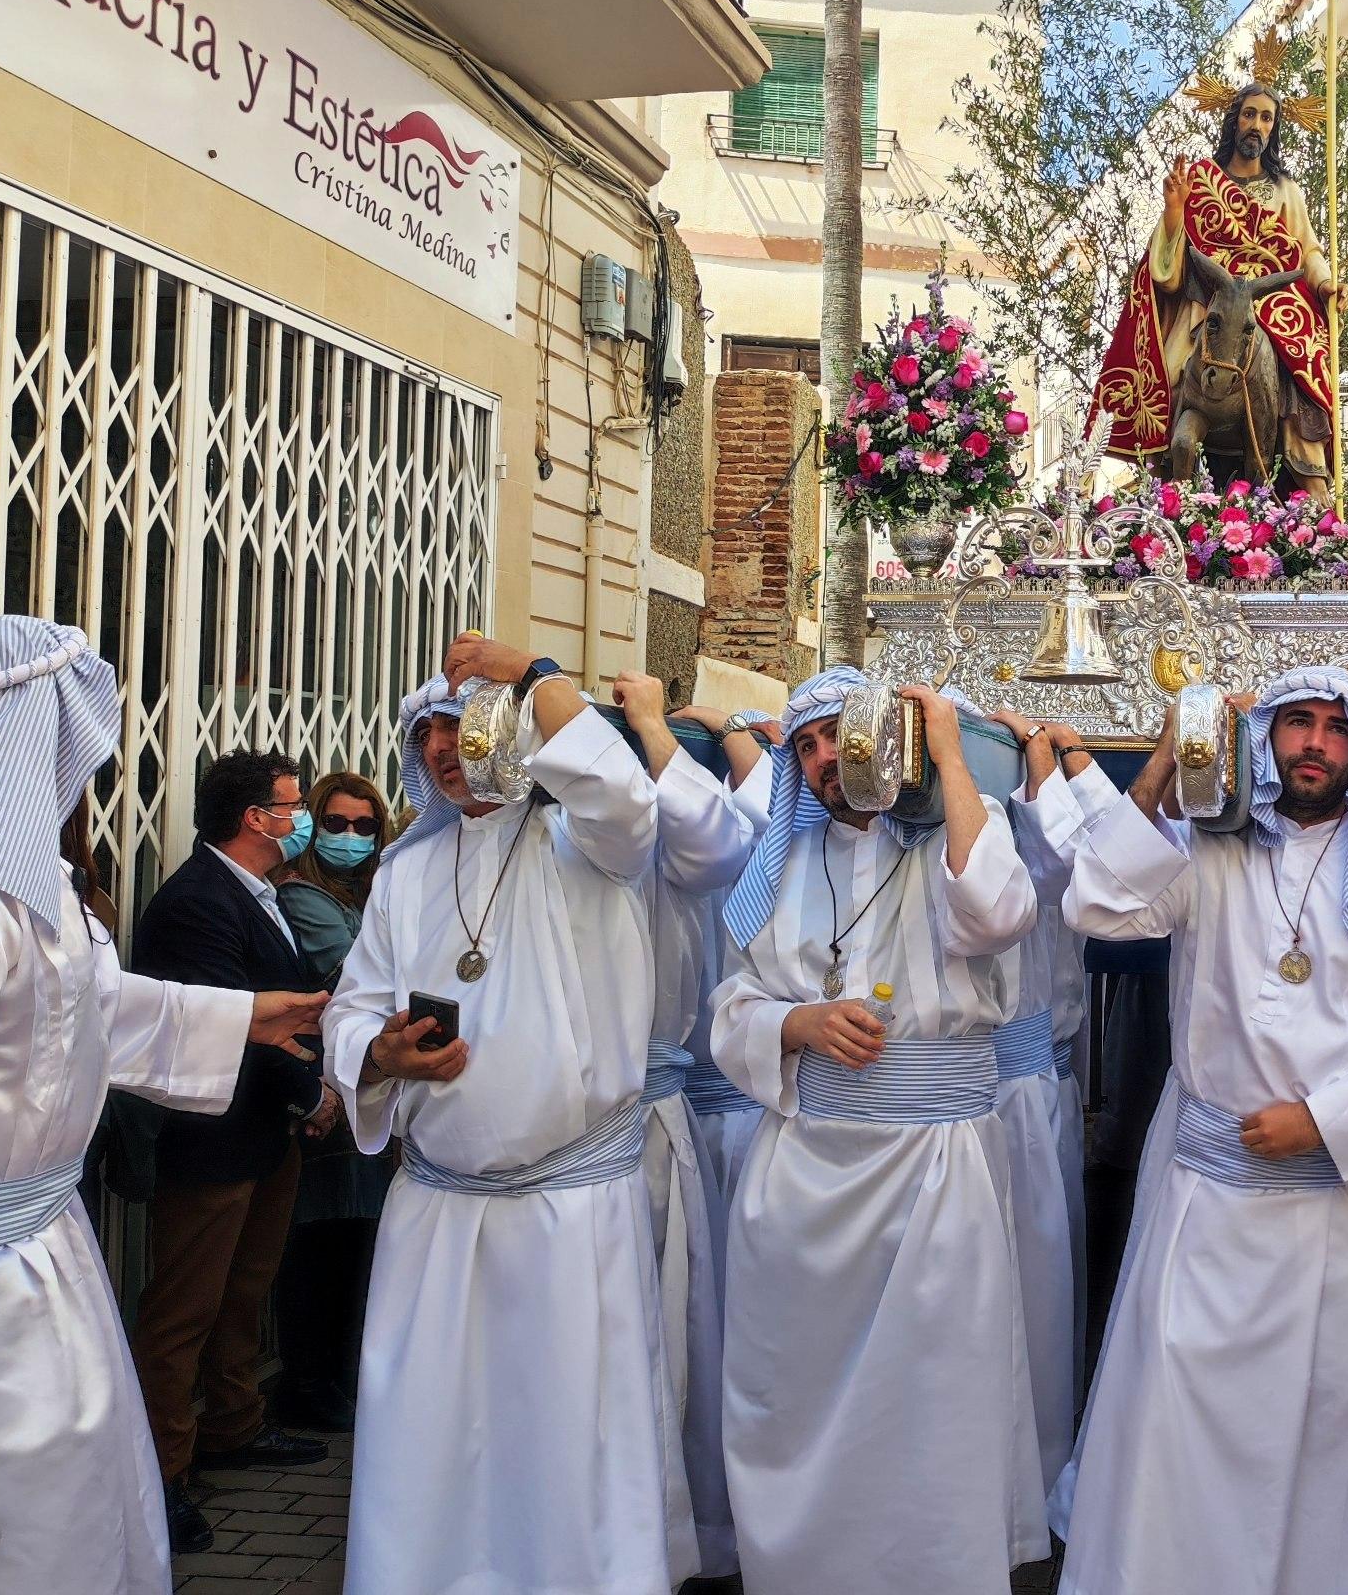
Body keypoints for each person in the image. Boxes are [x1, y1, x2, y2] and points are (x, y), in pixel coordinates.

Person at [1055, 666, 1348, 1595]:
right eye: (1296, 724)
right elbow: (1097, 907)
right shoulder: (1210, 847)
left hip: (1340, 1211)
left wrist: (1325, 1123)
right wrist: (1169, 755)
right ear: (1265, 738)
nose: (1315, 743)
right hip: (1205, 1202)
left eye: (1336, 727)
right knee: (1179, 1417)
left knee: (1333, 1432)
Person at [0, 615, 327, 1595]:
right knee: (15, 1541)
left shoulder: (34, 887)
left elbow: (88, 1009)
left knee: (85, 1517)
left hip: (46, 1255)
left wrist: (243, 1016)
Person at [321, 638, 697, 1595]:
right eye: (430, 732)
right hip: (436, 1215)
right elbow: (353, 1006)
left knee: (567, 1443)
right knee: (431, 1439)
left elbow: (626, 799)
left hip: (570, 1215)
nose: (447, 747)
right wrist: (379, 1054)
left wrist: (533, 674)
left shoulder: (590, 843)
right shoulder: (406, 871)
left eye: (467, 724)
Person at [710, 666, 1044, 1594]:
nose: (829, 756)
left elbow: (1001, 913)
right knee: (793, 1387)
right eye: (809, 745)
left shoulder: (958, 837)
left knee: (933, 1398)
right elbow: (732, 1002)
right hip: (802, 1170)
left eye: (844, 734)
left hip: (936, 1169)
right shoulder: (783, 860)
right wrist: (794, 1023)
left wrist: (947, 754)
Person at [127, 749, 332, 1552]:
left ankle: (234, 1424)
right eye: (295, 805)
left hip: (261, 1135)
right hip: (210, 1141)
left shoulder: (260, 891)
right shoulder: (197, 903)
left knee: (243, 1293)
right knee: (184, 1311)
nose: (303, 818)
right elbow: (232, 1021)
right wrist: (312, 1091)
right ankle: (162, 1475)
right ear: (257, 818)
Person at [614, 683, 768, 1581]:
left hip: (717, 1103)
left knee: (702, 1320)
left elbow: (738, 818)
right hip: (666, 1106)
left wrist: (715, 729)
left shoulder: (722, 837)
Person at [993, 709, 1127, 1502]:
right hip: (942, 1095)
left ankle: (1031, 1458)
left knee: (1030, 1283)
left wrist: (1048, 762)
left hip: (1023, 1089)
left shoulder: (1040, 815)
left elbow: (1075, 865)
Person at [1091, 80, 1344, 493]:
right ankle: (1166, 480)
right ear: (1234, 120)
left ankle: (1310, 477)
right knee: (1173, 373)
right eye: (1249, 114)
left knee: (1300, 374)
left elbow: (1308, 251)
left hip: (1271, 305)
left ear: (1274, 128)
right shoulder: (1201, 182)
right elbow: (1168, 270)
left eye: (1266, 118)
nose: (1257, 125)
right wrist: (1175, 209)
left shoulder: (1285, 191)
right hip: (1207, 304)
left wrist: (1327, 285)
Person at [270, 772, 394, 1435]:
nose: (350, 837)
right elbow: (354, 976)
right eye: (337, 824)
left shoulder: (370, 892)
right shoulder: (305, 896)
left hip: (365, 1090)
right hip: (326, 1087)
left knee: (356, 1242)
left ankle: (338, 1380)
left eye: (364, 826)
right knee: (319, 1243)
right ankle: (308, 1385)